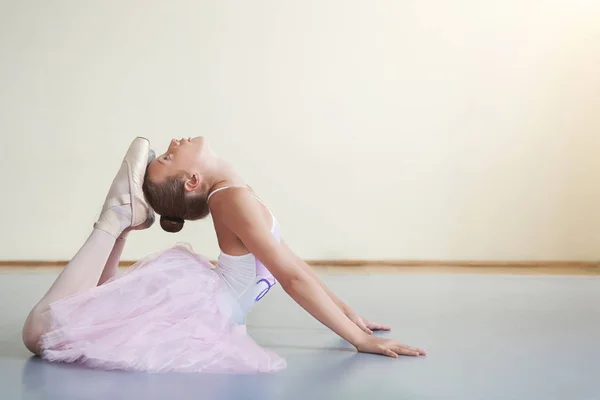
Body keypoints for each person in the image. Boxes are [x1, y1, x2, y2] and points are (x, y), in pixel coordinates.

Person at [21, 137, 426, 374]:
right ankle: (115, 219)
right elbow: (291, 279)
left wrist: (349, 313)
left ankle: (125, 221)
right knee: (41, 332)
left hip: (202, 305)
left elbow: (292, 263)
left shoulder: (235, 196)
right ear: (194, 180)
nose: (174, 142)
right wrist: (355, 340)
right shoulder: (230, 200)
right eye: (167, 156)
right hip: (202, 304)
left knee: (93, 308)